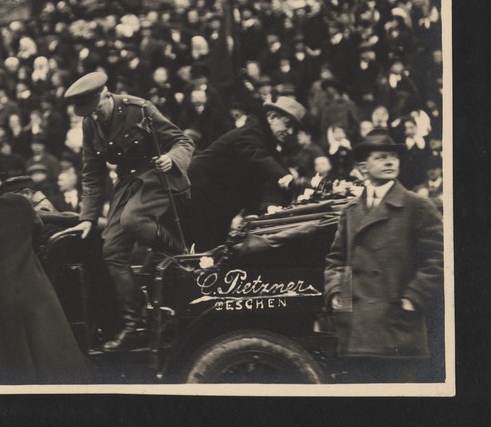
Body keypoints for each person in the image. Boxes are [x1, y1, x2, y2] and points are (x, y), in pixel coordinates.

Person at [61, 71, 194, 351]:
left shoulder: (140, 108)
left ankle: (177, 250)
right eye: (90, 114)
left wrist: (171, 158)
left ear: (107, 94)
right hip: (129, 183)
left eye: (97, 109)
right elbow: (93, 174)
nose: (95, 117)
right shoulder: (90, 123)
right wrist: (87, 218)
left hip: (159, 177)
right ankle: (136, 324)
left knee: (133, 219)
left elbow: (183, 142)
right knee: (111, 250)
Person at [0, 153, 90, 384]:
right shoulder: (21, 204)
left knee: (13, 377)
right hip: (36, 296)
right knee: (59, 369)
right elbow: (38, 233)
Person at [324, 129, 444, 383]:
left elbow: (437, 258)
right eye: (380, 157)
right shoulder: (351, 211)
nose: (389, 162)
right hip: (358, 331)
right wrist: (340, 300)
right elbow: (337, 260)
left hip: (398, 327)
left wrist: (412, 299)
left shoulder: (417, 206)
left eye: (393, 157)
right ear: (363, 167)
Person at [184, 95, 306, 252]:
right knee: (183, 250)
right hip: (196, 196)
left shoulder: (266, 141)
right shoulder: (250, 133)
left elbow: (275, 168)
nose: (290, 132)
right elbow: (261, 159)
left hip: (216, 203)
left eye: (294, 128)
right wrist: (288, 179)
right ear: (271, 117)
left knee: (210, 252)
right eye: (287, 124)